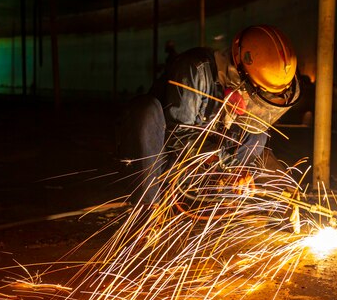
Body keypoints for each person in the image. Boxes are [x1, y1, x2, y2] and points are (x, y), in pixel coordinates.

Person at [117, 24, 300, 204]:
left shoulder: (245, 87)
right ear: (240, 69)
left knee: (258, 133)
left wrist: (278, 182)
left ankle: (225, 199)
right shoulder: (195, 69)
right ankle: (148, 207)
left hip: (207, 172)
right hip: (169, 164)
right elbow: (179, 136)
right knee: (145, 111)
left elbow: (253, 147)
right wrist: (226, 166)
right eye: (258, 90)